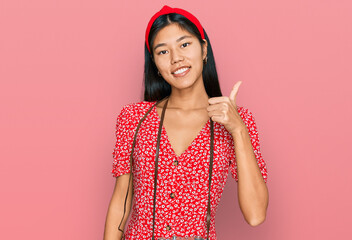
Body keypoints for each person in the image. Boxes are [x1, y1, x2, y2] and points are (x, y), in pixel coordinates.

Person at [104, 5, 269, 240]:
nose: (176, 58)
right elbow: (121, 199)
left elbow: (256, 215)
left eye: (184, 44)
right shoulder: (134, 118)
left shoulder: (236, 121)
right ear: (155, 64)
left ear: (203, 49)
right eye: (163, 52)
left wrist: (238, 130)